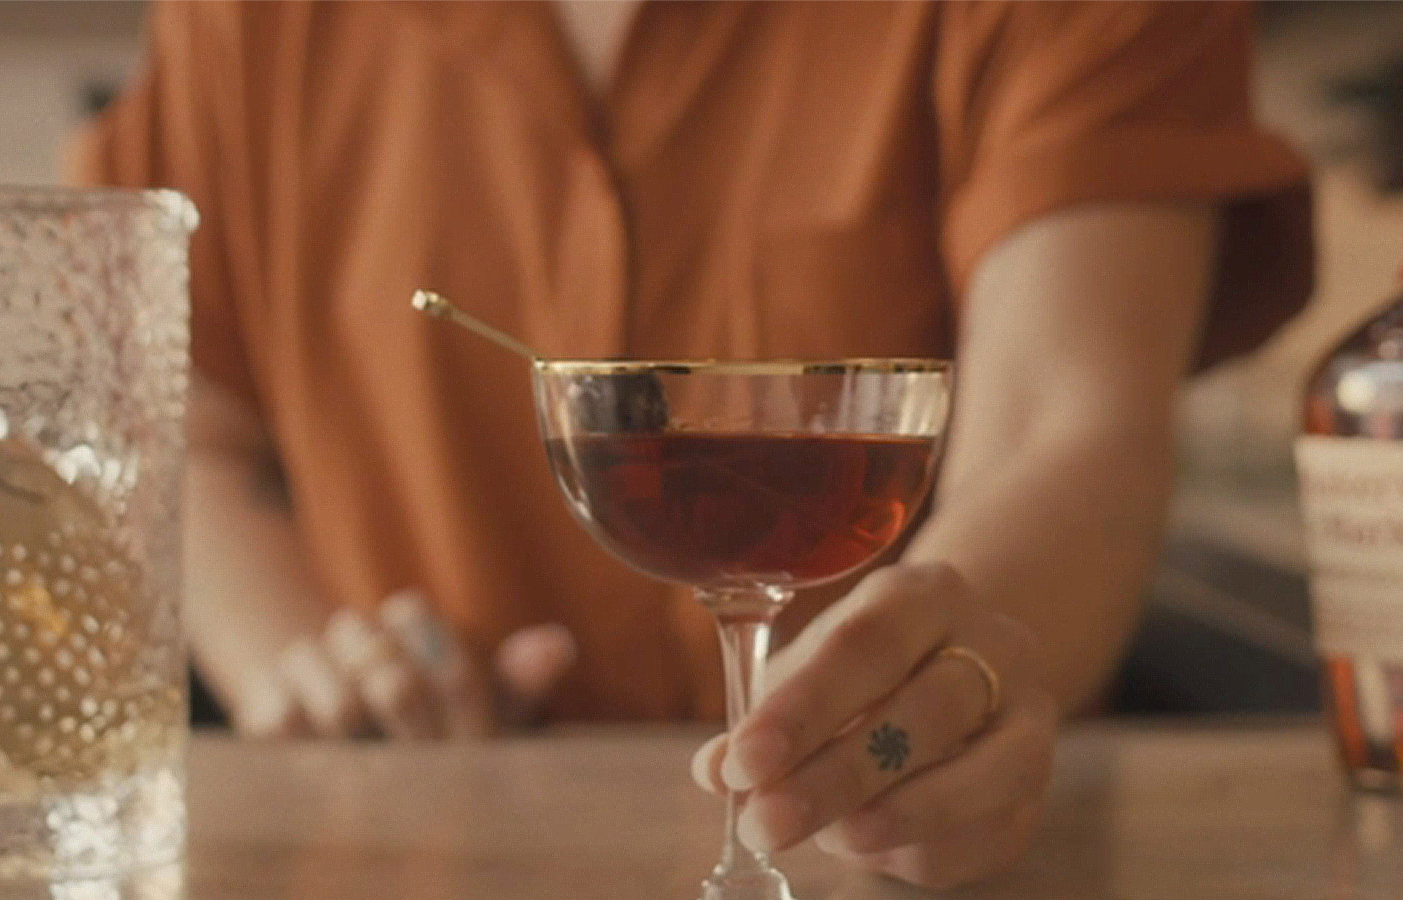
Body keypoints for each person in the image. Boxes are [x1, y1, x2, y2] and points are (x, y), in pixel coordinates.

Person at [76, 0, 1312, 888]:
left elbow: (1064, 424)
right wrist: (316, 670)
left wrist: (936, 687)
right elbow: (184, 433)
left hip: (886, 866)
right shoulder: (247, 24)